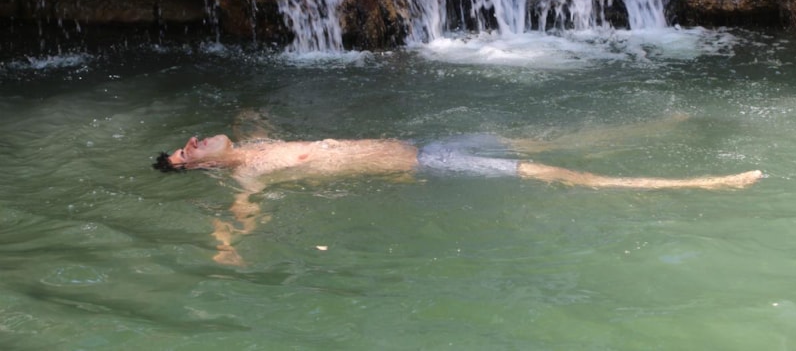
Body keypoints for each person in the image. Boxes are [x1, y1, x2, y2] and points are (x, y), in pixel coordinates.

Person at [153, 131, 763, 265]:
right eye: (186, 152)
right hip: (432, 164)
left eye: (188, 142)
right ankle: (700, 183)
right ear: (197, 168)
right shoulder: (247, 175)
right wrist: (226, 245)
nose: (193, 141)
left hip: (427, 147)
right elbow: (239, 215)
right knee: (556, 173)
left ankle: (653, 127)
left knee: (548, 145)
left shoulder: (257, 143)